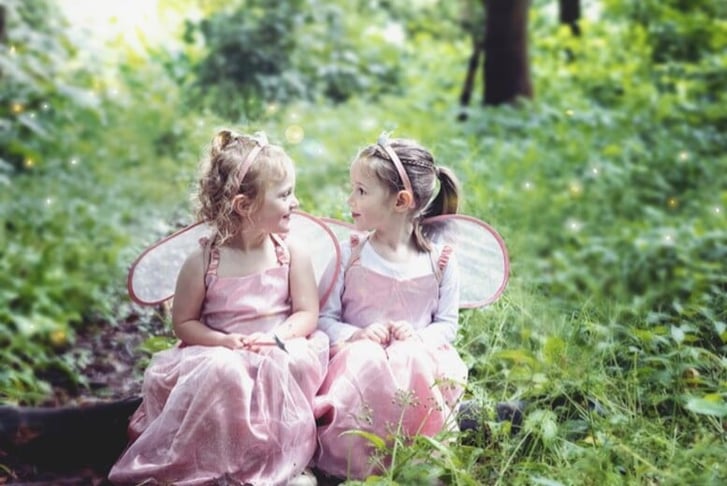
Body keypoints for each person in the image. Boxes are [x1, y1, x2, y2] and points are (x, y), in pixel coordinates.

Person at [109, 130, 328, 486]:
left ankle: (282, 463)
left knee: (292, 362)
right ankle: (220, 465)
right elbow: (184, 323)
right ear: (245, 206)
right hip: (221, 349)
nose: (296, 202)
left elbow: (307, 313)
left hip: (276, 344)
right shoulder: (204, 261)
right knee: (224, 372)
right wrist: (222, 341)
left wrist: (277, 337)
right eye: (285, 195)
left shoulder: (290, 253)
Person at [313, 134, 468, 480]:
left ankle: (415, 455)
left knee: (407, 357)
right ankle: (347, 460)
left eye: (361, 191)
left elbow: (447, 323)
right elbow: (324, 317)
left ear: (400, 201)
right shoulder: (350, 252)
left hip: (416, 363)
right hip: (356, 362)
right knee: (367, 358)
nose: (350, 199)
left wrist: (418, 337)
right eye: (352, 188)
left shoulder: (439, 261)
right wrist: (356, 335)